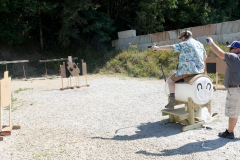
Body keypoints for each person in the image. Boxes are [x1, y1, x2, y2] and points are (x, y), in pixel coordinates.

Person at [152, 30, 207, 108]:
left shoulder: (184, 44)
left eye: (181, 38)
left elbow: (171, 47)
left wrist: (157, 48)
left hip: (188, 70)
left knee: (170, 80)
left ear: (184, 37)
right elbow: (205, 56)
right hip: (200, 71)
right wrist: (197, 64)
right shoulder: (200, 44)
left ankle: (172, 100)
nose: (181, 39)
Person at [206, 37, 240, 139]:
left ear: (237, 49)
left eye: (231, 49)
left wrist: (211, 42)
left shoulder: (235, 57)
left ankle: (229, 132)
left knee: (233, 111)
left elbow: (220, 53)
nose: (229, 51)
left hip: (236, 90)